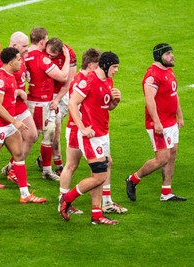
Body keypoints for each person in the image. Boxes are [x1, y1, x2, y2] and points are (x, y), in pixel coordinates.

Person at [59, 52, 122, 225]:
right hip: (91, 136)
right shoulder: (89, 80)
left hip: (103, 133)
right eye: (115, 67)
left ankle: (96, 215)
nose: (116, 70)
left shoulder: (108, 81)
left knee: (99, 173)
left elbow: (105, 107)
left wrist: (116, 102)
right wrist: (82, 128)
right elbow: (72, 103)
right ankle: (66, 200)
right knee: (100, 176)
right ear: (106, 65)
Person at [0, 47, 45, 203]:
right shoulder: (1, 79)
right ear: (10, 62)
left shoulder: (10, 75)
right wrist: (15, 121)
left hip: (8, 125)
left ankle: (24, 194)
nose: (20, 61)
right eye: (18, 59)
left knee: (19, 155)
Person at [125, 43, 187, 202]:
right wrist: (157, 122)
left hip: (171, 122)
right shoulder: (152, 75)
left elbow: (174, 94)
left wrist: (180, 116)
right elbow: (149, 100)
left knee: (172, 154)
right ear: (160, 56)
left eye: (171, 53)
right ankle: (133, 179)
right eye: (168, 54)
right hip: (158, 125)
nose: (172, 56)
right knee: (162, 158)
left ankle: (166, 192)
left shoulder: (169, 71)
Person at [25, 27, 70, 181]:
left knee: (47, 135)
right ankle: (12, 166)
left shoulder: (26, 55)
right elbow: (63, 77)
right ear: (43, 41)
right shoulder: (41, 58)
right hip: (40, 103)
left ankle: (46, 170)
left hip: (36, 100)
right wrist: (68, 58)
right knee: (33, 137)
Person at [0, 32, 38, 185]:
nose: (27, 48)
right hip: (9, 107)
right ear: (14, 45)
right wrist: (18, 92)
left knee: (32, 136)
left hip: (20, 106)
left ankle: (13, 169)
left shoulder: (20, 57)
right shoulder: (3, 62)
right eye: (24, 46)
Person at [35, 38, 77, 176]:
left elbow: (67, 82)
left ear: (59, 52)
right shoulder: (44, 51)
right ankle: (55, 164)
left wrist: (57, 100)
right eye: (47, 53)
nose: (48, 57)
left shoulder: (69, 55)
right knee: (44, 131)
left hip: (61, 95)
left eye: (52, 56)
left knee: (54, 130)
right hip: (45, 93)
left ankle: (46, 162)